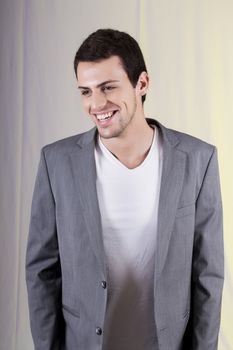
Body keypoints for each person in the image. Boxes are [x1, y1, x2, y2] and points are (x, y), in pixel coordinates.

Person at [26, 28, 224, 350]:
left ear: (141, 84)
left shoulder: (198, 160)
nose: (96, 104)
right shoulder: (56, 162)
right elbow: (42, 272)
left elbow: (207, 276)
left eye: (107, 87)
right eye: (85, 91)